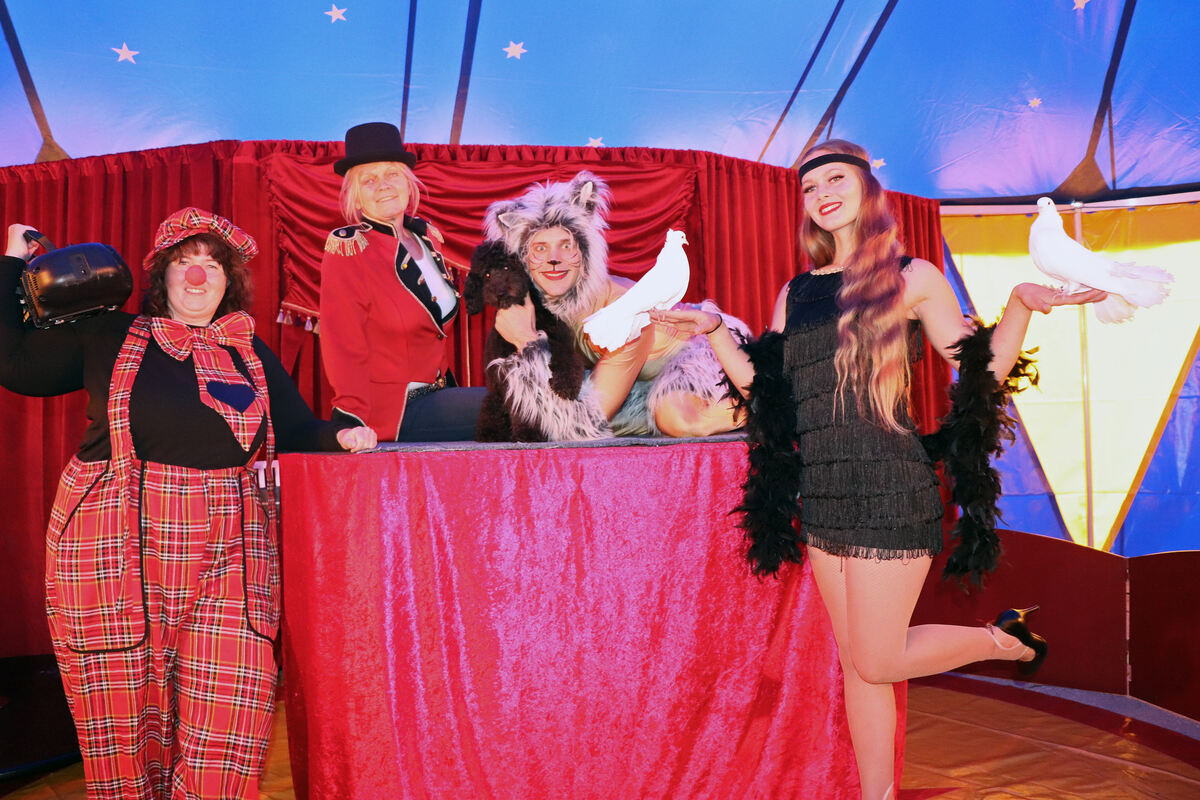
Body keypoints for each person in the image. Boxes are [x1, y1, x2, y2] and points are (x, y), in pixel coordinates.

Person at [652, 140, 1106, 800]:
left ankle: (1002, 640)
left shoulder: (911, 276)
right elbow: (767, 392)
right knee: (860, 667)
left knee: (879, 657)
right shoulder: (796, 292)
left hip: (891, 485)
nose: (822, 194)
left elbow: (980, 370)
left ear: (866, 189)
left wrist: (1020, 303)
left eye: (835, 179)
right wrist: (715, 330)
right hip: (823, 494)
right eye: (810, 188)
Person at [0, 208, 376, 800]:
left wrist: (343, 436)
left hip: (232, 546)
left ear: (229, 282)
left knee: (234, 704)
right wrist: (10, 263)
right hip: (116, 541)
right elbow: (15, 364)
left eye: (212, 265)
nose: (198, 275)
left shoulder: (248, 351)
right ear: (161, 277)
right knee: (124, 716)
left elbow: (299, 429)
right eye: (183, 262)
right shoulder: (108, 333)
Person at [484, 170, 748, 438]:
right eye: (540, 248)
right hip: (637, 381)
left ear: (585, 254)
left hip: (703, 351)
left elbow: (585, 422)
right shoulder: (537, 306)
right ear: (524, 258)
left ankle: (758, 407)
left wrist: (527, 342)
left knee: (676, 419)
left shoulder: (622, 314)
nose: (554, 259)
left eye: (566, 246)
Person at [320, 121, 484, 441]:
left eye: (392, 174)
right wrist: (350, 420)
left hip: (441, 395)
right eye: (369, 180)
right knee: (516, 406)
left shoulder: (427, 238)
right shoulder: (350, 248)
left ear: (408, 183)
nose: (383, 185)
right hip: (394, 409)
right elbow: (343, 343)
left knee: (527, 400)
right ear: (356, 197)